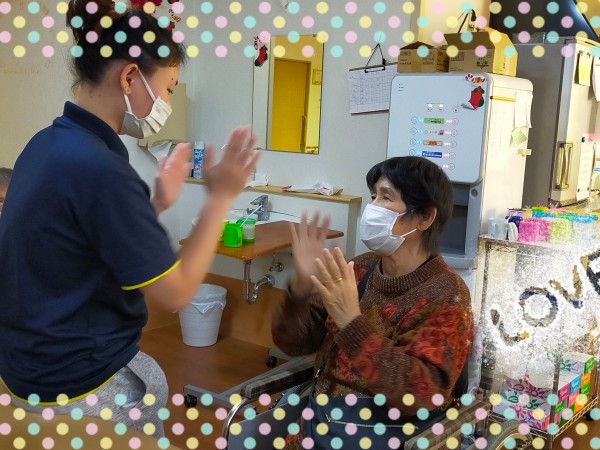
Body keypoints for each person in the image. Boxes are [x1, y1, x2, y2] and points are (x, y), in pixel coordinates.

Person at [0, 0, 259, 439]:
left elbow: (80, 239)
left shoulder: (45, 145)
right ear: (129, 77)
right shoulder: (101, 168)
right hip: (77, 383)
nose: (167, 103)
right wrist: (219, 199)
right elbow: (176, 293)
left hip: (25, 367)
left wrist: (153, 205)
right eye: (169, 89)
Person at [272, 156, 474, 448]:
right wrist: (301, 287)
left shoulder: (447, 294)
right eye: (373, 196)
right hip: (319, 428)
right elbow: (292, 344)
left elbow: (421, 396)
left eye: (386, 197)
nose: (373, 207)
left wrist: (351, 322)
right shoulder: (360, 268)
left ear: (424, 217)